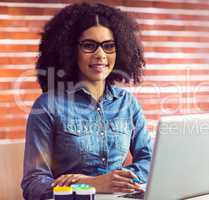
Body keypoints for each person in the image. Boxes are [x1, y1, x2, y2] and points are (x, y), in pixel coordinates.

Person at [21, 2, 153, 199]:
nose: (100, 55)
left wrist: (117, 180)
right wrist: (90, 184)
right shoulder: (48, 106)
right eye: (89, 45)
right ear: (70, 50)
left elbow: (149, 161)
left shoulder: (127, 103)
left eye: (109, 46)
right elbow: (33, 184)